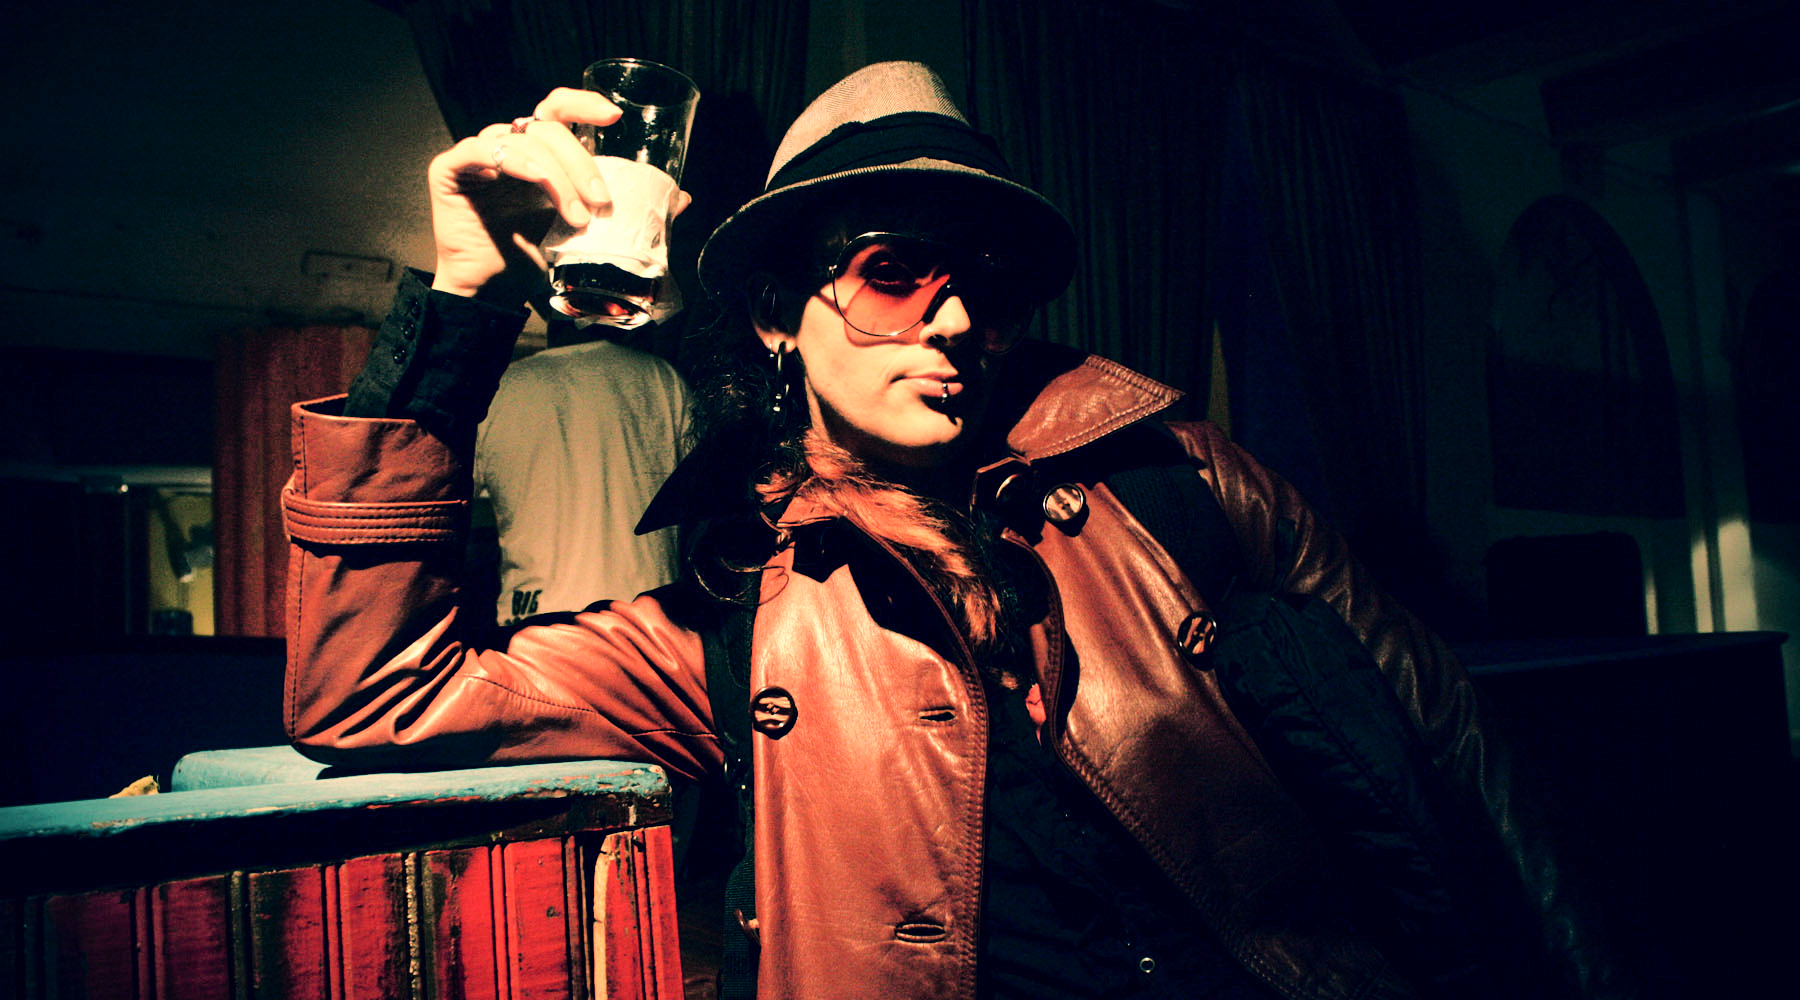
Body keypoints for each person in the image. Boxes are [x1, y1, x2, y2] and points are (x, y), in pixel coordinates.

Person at [286, 62, 1622, 999]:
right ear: (779, 317)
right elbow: (370, 694)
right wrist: (461, 302)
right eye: (892, 272)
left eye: (981, 281)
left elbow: (1450, 750)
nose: (958, 317)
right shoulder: (738, 623)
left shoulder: (1177, 480)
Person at [471, 322, 691, 626]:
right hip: (647, 618)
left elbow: (447, 504)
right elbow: (704, 498)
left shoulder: (502, 387)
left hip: (538, 616)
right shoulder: (663, 378)